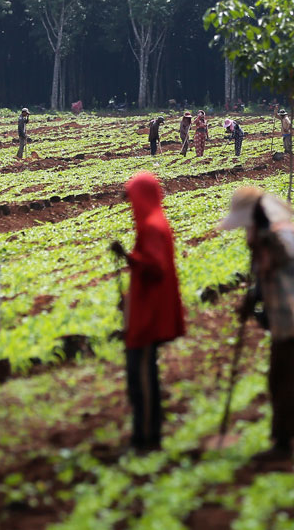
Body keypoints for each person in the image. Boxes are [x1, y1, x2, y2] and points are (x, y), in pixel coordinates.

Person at [220, 187, 294, 463]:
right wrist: (251, 300)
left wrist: (262, 245)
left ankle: (283, 444)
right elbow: (262, 280)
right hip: (283, 312)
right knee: (284, 376)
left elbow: (278, 261)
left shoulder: (275, 237)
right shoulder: (266, 236)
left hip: (291, 313)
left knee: (281, 379)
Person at [111, 172, 186, 451]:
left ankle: (146, 438)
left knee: (140, 375)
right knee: (144, 373)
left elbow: (155, 268)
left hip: (150, 313)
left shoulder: (153, 227)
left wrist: (127, 257)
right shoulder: (154, 223)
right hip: (147, 306)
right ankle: (146, 434)